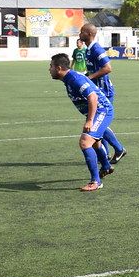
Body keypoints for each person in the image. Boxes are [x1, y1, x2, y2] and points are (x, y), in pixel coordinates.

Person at [49, 53, 114, 192]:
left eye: (51, 66)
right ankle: (106, 166)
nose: (49, 69)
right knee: (95, 142)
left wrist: (90, 120)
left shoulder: (74, 79)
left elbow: (93, 97)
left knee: (85, 142)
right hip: (97, 112)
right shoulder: (69, 78)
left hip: (102, 111)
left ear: (59, 68)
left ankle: (95, 181)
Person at [78, 24, 127, 164]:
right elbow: (93, 69)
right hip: (96, 91)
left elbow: (107, 68)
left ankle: (118, 149)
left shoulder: (96, 49)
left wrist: (90, 78)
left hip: (104, 91)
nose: (79, 34)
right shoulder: (88, 49)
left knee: (98, 123)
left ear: (89, 34)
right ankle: (105, 154)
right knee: (97, 123)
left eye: (82, 32)